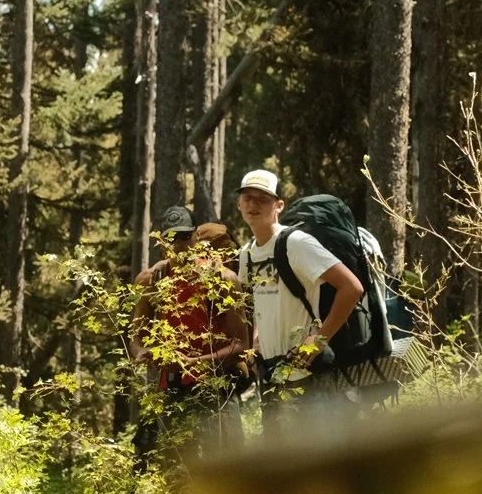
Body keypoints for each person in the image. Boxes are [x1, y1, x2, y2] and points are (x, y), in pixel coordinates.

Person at [234, 169, 364, 434]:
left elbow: (351, 288)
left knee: (319, 464)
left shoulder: (296, 243)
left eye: (262, 198)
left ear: (279, 206)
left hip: (309, 379)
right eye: (247, 197)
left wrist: (316, 342)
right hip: (273, 377)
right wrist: (256, 343)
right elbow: (256, 305)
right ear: (238, 204)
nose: (253, 204)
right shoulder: (247, 255)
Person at [130, 207, 250, 466]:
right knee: (177, 477)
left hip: (216, 389)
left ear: (197, 236)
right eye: (172, 239)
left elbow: (241, 345)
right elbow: (135, 338)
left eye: (185, 237)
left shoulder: (222, 279)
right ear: (162, 242)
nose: (180, 245)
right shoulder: (154, 280)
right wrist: (141, 352)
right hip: (172, 389)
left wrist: (199, 362)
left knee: (228, 475)